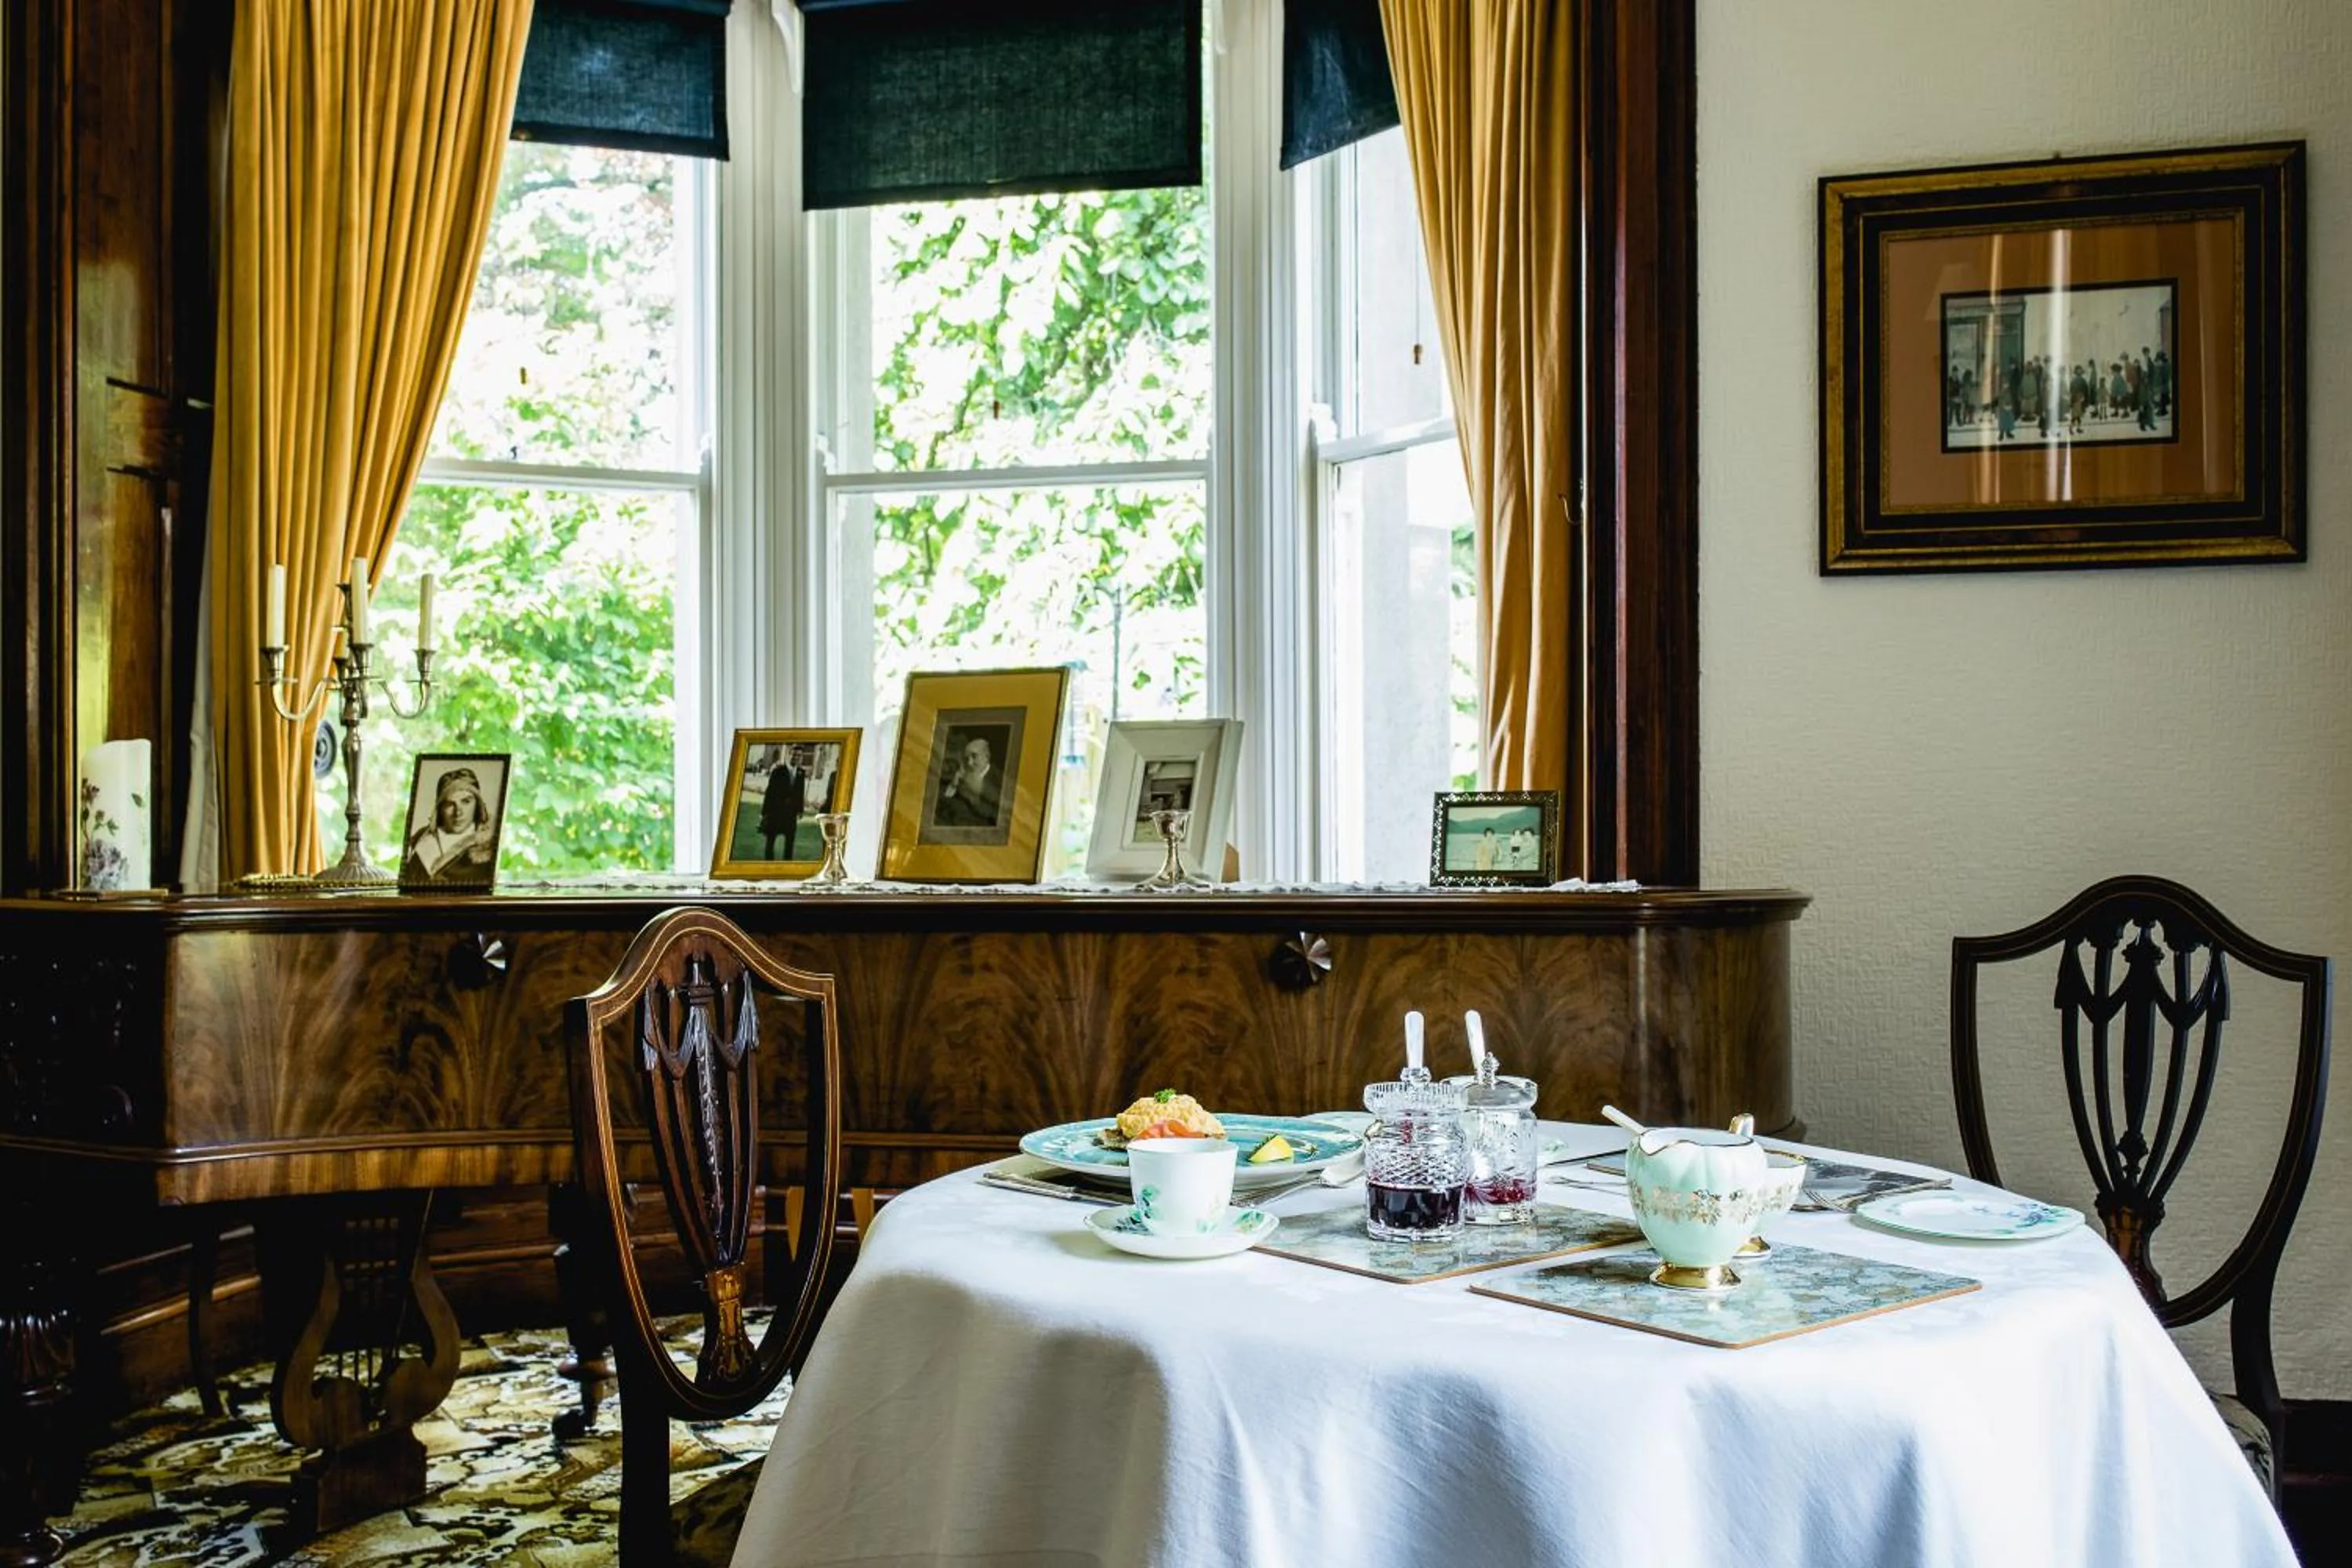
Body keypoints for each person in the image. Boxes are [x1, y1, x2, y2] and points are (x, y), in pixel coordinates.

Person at [404, 766, 495, 884]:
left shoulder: (487, 846)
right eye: (449, 804)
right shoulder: (420, 844)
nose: (458, 812)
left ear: (477, 803)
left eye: (466, 802)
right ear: (440, 808)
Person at [935, 735, 1002, 828]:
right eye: (967, 758)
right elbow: (944, 805)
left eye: (974, 756)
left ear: (986, 756)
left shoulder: (1000, 779)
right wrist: (953, 785)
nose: (970, 763)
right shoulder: (963, 776)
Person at [759, 746, 807, 859]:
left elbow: (800, 792)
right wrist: (764, 813)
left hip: (791, 814)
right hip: (776, 812)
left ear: (801, 758)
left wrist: (800, 810)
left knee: (790, 843)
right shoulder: (778, 770)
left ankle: (787, 867)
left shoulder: (801, 773)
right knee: (771, 842)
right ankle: (768, 868)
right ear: (788, 755)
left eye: (799, 755)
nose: (796, 757)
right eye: (794, 754)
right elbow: (769, 792)